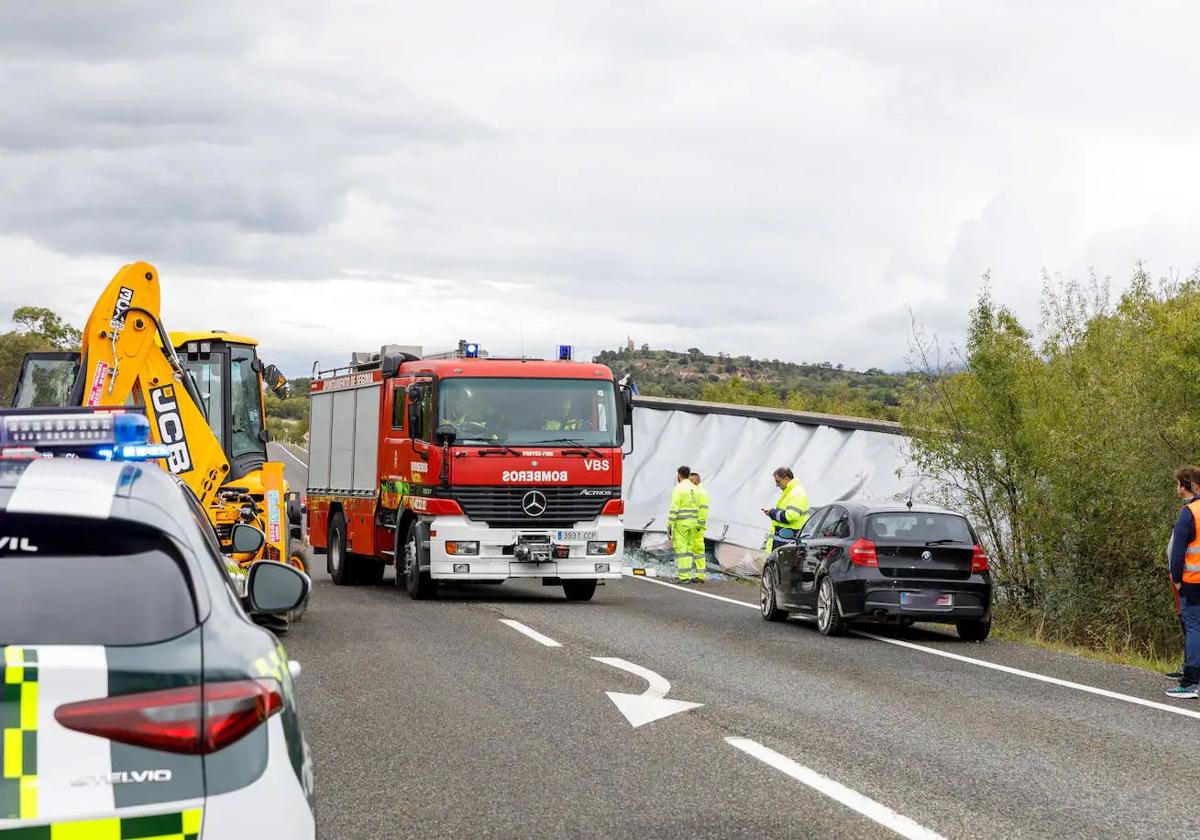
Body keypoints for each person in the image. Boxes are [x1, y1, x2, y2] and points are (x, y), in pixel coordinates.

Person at [1166, 466, 1200, 699]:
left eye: (1179, 483)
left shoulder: (1190, 512)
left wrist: (1177, 580)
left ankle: (1190, 683)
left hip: (1193, 581)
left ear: (1189, 486)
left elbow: (1177, 552)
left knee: (1193, 628)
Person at [762, 466, 809, 552]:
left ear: (786, 479)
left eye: (778, 481)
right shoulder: (791, 492)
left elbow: (789, 517)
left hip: (786, 543)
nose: (777, 485)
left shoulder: (796, 493)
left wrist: (771, 512)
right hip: (784, 541)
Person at [667, 466, 700, 583]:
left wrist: (669, 524)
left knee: (681, 550)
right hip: (693, 522)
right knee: (689, 549)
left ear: (679, 475)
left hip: (682, 523)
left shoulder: (678, 489)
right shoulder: (695, 488)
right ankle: (687, 574)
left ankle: (683, 577)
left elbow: (674, 507)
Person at [688, 471, 709, 583]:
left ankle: (700, 575)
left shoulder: (700, 493)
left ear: (694, 481)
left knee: (698, 551)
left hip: (697, 527)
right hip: (696, 526)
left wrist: (698, 526)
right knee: (697, 551)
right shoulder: (698, 491)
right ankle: (699, 575)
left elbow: (703, 511)